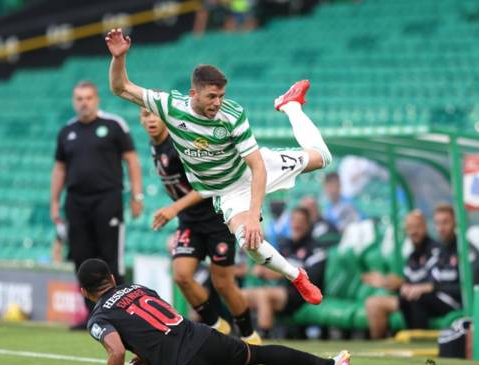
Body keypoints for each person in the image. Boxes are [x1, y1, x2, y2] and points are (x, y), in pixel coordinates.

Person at [106, 28, 333, 306]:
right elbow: (120, 87)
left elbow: (257, 167)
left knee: (323, 157)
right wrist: (119, 58)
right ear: (193, 93)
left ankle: (290, 106)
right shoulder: (171, 107)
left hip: (254, 168)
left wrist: (254, 214)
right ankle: (297, 276)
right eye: (212, 96)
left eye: (221, 95)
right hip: (227, 191)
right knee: (251, 245)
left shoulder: (232, 115)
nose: (218, 102)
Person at [79, 258, 351, 365]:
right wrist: (146, 352)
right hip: (203, 338)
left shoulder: (98, 318)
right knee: (259, 353)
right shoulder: (137, 287)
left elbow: (115, 352)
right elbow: (163, 320)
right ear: (112, 279)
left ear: (85, 292)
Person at [140, 107, 261, 343]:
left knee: (223, 283)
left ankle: (250, 335)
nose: (151, 119)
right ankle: (217, 326)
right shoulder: (155, 144)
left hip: (215, 218)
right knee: (181, 275)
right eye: (145, 115)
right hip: (189, 221)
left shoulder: (181, 145)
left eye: (155, 114)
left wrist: (173, 208)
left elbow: (207, 185)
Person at [50, 81, 143, 330]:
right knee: (81, 258)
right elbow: (59, 169)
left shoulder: (113, 126)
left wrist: (137, 196)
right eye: (79, 98)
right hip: (76, 202)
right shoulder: (66, 131)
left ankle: (120, 315)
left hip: (107, 199)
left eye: (88, 98)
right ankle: (92, 316)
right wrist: (54, 203)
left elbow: (132, 161)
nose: (84, 103)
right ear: (74, 101)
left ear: (97, 99)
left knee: (111, 258)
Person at [399, 204, 479, 329]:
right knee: (406, 298)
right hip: (437, 299)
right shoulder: (437, 252)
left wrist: (433, 287)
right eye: (437, 223)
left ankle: (421, 339)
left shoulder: (466, 251)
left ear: (455, 223)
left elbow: (470, 288)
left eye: (445, 222)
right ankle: (413, 338)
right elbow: (427, 280)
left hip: (457, 302)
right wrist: (411, 288)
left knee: (419, 299)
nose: (441, 228)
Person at [243, 207, 326, 338]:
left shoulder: (315, 249)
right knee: (241, 294)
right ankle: (239, 335)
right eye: (293, 220)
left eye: (301, 221)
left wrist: (278, 274)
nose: (296, 224)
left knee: (263, 295)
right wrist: (262, 271)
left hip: (301, 295)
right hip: (281, 290)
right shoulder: (286, 245)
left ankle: (264, 338)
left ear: (308, 224)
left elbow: (313, 277)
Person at [363, 210, 441, 338]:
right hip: (409, 298)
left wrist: (414, 288)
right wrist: (384, 281)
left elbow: (436, 283)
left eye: (417, 227)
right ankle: (378, 347)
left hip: (430, 301)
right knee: (372, 304)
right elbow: (407, 282)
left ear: (425, 227)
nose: (413, 232)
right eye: (410, 228)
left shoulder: (436, 251)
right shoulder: (412, 256)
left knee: (412, 298)